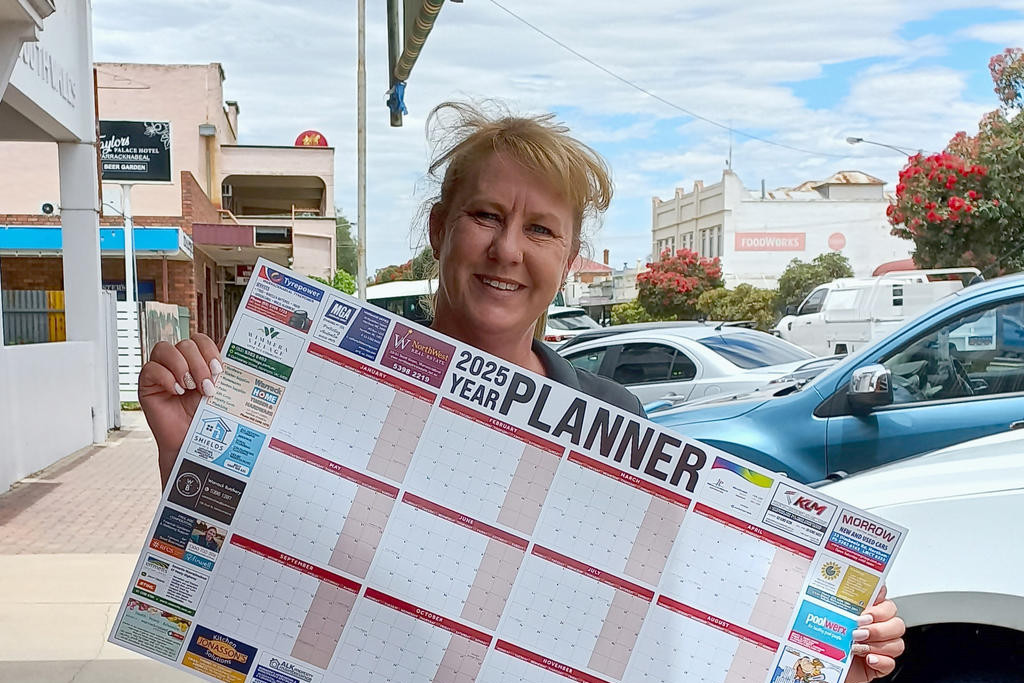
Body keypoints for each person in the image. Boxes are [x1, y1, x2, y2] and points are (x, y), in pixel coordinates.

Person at [138, 101, 904, 681]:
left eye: (541, 230)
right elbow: (240, 589)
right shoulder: (327, 386)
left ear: (569, 258)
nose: (507, 248)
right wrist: (186, 457)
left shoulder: (615, 417)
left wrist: (826, 643)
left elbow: (667, 628)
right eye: (486, 215)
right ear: (440, 229)